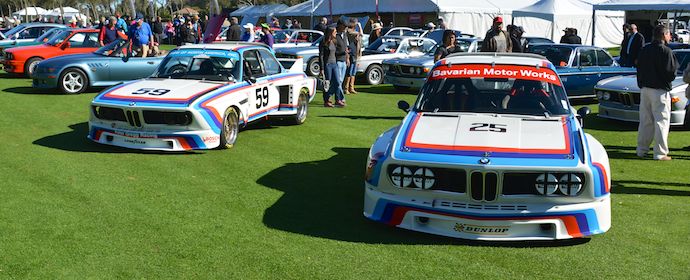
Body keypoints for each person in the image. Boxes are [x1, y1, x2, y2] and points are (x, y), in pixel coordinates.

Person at [636, 25, 678, 161]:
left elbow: (638, 67)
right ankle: (660, 153)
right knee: (661, 121)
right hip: (659, 90)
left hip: (645, 89)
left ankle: (641, 149)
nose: (670, 36)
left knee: (645, 120)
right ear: (664, 35)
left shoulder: (645, 49)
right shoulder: (666, 51)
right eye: (668, 34)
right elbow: (671, 73)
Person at [319, 27, 339, 107]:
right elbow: (321, 55)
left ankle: (331, 95)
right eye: (334, 32)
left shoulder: (334, 41)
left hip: (334, 64)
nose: (336, 33)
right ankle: (327, 100)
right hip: (328, 64)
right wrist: (322, 68)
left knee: (337, 82)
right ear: (330, 33)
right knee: (327, 83)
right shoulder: (323, 42)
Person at [344, 18, 362, 95]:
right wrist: (360, 26)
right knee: (349, 71)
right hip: (351, 53)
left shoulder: (354, 31)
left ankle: (351, 87)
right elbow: (361, 34)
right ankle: (346, 88)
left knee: (353, 72)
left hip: (355, 53)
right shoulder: (349, 31)